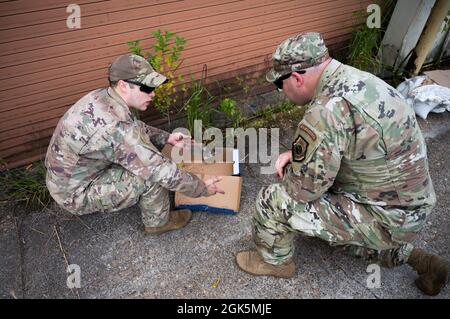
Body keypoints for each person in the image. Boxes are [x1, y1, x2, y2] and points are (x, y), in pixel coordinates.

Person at [235, 32, 449, 296]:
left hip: (386, 215)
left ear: (297, 78)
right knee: (334, 226)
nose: (281, 92)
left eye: (280, 85)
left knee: (273, 200)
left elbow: (302, 191)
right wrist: (300, 154)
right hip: (406, 208)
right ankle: (424, 262)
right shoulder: (358, 80)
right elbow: (349, 139)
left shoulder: (326, 111)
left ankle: (275, 262)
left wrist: (295, 168)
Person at [45, 53, 223, 234]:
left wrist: (166, 137)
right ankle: (158, 223)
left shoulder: (103, 97)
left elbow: (133, 128)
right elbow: (159, 170)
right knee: (150, 176)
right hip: (75, 193)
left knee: (144, 159)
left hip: (68, 176)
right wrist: (202, 188)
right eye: (146, 88)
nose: (152, 94)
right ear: (123, 85)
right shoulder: (115, 127)